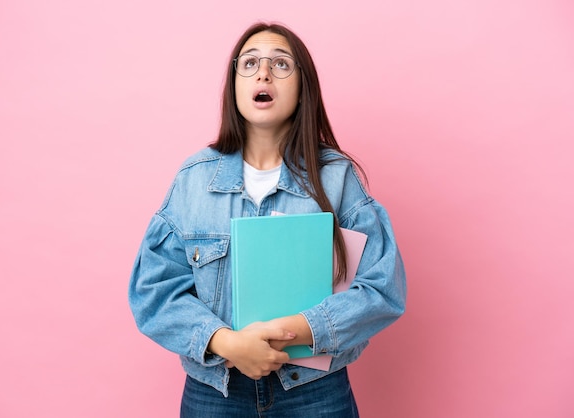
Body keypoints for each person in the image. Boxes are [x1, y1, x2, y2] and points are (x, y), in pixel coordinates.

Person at [128, 22, 406, 417]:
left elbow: (383, 289)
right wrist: (227, 343)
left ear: (302, 86)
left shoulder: (337, 177)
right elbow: (154, 292)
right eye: (251, 63)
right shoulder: (193, 180)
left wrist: (296, 329)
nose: (264, 72)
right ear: (235, 84)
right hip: (216, 393)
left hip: (315, 392)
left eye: (281, 64)